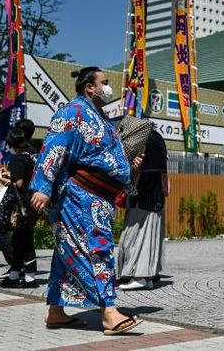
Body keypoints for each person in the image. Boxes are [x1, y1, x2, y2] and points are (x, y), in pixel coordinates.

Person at [29, 67, 144, 334]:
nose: (108, 88)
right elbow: (53, 147)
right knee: (97, 250)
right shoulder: (72, 112)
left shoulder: (101, 117)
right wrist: (42, 187)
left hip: (99, 198)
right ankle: (109, 312)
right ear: (89, 87)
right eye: (104, 83)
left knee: (65, 253)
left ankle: (56, 312)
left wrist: (129, 167)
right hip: (79, 197)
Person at [117, 129, 169, 291]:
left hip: (140, 202)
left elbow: (133, 183)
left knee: (134, 239)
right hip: (157, 203)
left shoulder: (140, 159)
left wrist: (133, 168)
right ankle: (149, 277)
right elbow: (167, 188)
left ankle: (139, 277)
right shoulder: (159, 157)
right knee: (151, 239)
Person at [0, 126, 40, 288]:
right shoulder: (32, 155)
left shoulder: (17, 158)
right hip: (34, 202)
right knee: (18, 240)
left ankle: (30, 278)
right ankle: (15, 275)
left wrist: (3, 179)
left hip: (22, 205)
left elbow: (18, 183)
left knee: (24, 240)